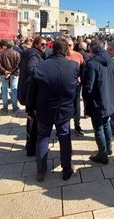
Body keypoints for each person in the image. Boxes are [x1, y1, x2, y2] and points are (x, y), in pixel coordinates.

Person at [27, 39, 80, 182]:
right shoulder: (73, 66)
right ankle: (66, 167)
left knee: (43, 139)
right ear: (64, 51)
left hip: (45, 109)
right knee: (64, 138)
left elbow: (31, 92)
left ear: (53, 50)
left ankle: (41, 171)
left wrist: (30, 110)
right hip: (64, 110)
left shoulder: (40, 67)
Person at [82, 40, 114, 164]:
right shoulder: (111, 61)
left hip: (98, 101)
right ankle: (108, 148)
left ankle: (102, 154)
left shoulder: (92, 64)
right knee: (106, 123)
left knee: (98, 127)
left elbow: (88, 86)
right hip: (109, 99)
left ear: (92, 50)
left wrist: (85, 99)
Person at [18, 36, 47, 156]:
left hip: (27, 90)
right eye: (42, 44)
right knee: (33, 119)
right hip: (32, 91)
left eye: (46, 44)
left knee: (31, 118)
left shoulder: (29, 53)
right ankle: (31, 147)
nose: (44, 46)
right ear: (35, 44)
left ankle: (29, 144)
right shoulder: (34, 56)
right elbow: (32, 69)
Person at [65, 38, 85, 136]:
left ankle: (77, 125)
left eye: (70, 45)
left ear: (73, 45)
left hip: (76, 85)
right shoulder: (62, 56)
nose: (69, 47)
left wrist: (80, 78)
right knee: (65, 106)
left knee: (76, 106)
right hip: (64, 86)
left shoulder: (78, 55)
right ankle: (65, 127)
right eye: (67, 45)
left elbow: (82, 69)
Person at [0, 40, 21, 113]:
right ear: (13, 46)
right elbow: (18, 65)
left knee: (4, 89)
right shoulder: (17, 53)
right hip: (14, 73)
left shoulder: (0, 54)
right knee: (14, 89)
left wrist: (5, 71)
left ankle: (5, 107)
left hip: (4, 73)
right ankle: (15, 106)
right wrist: (11, 71)